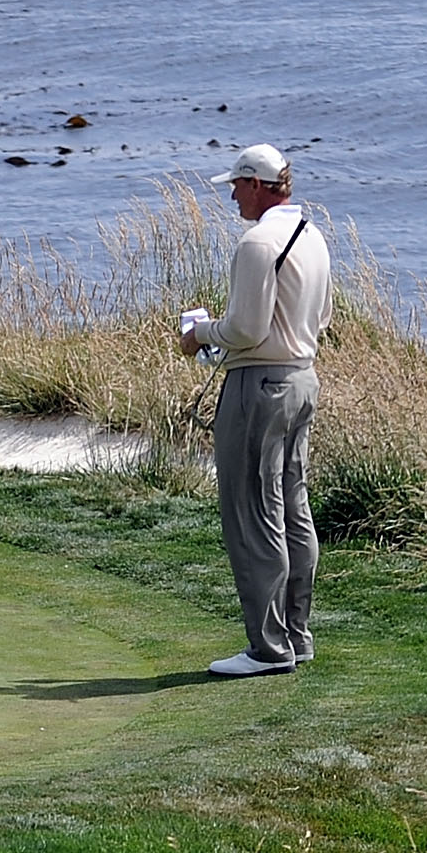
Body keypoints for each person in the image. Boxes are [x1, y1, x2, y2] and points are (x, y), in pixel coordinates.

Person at [177, 142, 333, 678]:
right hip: (301, 379)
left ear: (261, 185)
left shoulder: (257, 242)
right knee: (292, 507)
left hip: (259, 385)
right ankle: (297, 634)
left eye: (239, 185)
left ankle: (268, 648)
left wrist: (200, 334)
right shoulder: (314, 237)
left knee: (252, 511)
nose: (234, 196)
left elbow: (245, 329)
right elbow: (321, 317)